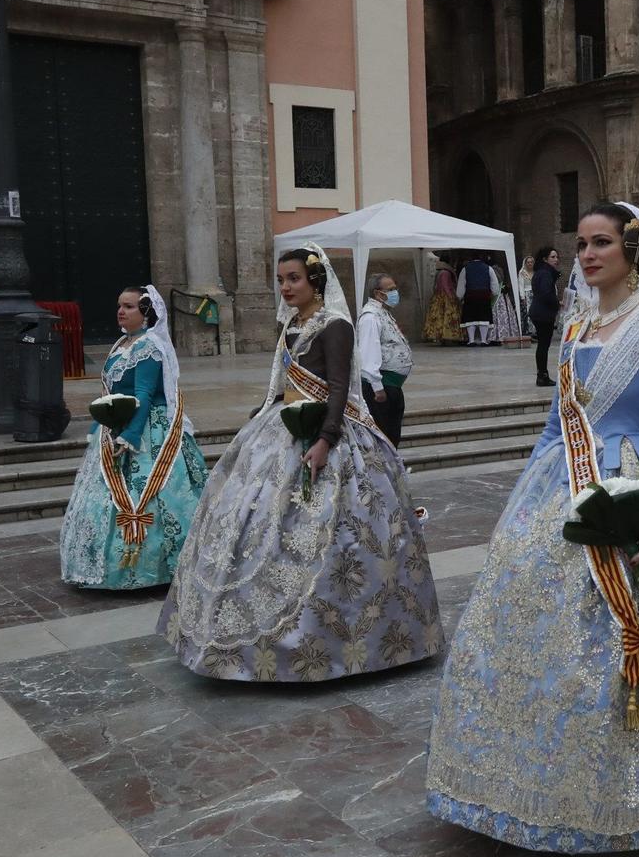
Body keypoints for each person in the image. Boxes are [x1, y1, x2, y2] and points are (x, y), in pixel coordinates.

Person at [426, 201, 639, 852]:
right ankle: (531, 782)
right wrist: (523, 503)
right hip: (569, 484)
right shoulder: (578, 326)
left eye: (602, 242)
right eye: (581, 242)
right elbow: (559, 427)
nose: (587, 254)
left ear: (632, 250)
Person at [159, 245, 442, 681]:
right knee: (255, 523)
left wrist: (326, 439)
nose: (286, 287)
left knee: (333, 531)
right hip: (282, 429)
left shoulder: (336, 326)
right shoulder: (291, 324)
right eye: (281, 280)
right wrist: (264, 415)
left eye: (293, 279)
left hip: (327, 435)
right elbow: (283, 382)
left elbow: (338, 385)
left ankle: (334, 637)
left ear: (316, 281)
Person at [59, 285, 209, 589]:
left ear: (146, 313)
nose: (120, 311)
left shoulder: (149, 347)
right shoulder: (120, 346)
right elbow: (110, 393)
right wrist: (96, 428)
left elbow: (143, 394)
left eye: (128, 307)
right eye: (119, 305)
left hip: (145, 431)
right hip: (115, 425)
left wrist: (129, 435)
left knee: (160, 495)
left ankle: (156, 566)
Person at [357, 272, 414, 446]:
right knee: (385, 436)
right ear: (377, 293)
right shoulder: (370, 317)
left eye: (395, 288)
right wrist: (377, 387)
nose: (395, 292)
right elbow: (368, 353)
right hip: (382, 389)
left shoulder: (383, 312)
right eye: (390, 289)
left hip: (392, 387)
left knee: (392, 434)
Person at [529, 244, 562, 387]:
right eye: (553, 257)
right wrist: (558, 303)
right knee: (543, 345)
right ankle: (542, 376)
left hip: (539, 312)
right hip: (542, 314)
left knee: (543, 345)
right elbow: (546, 294)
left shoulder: (542, 272)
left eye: (557, 257)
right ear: (545, 259)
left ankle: (542, 374)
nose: (556, 260)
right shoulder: (545, 273)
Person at [457, 252, 497, 346]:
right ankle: (483, 340)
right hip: (484, 296)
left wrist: (459, 295)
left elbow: (462, 283)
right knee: (484, 318)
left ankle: (471, 340)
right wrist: (494, 293)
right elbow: (494, 283)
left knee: (470, 318)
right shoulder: (489, 268)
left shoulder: (465, 269)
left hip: (470, 296)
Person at [421, 257, 461, 344]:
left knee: (440, 317)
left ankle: (442, 336)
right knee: (446, 317)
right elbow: (445, 285)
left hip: (439, 297)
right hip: (445, 297)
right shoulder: (445, 273)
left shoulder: (440, 272)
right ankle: (446, 336)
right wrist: (450, 296)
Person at [490, 257, 524, 346]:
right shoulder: (499, 269)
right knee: (505, 314)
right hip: (502, 294)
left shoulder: (492, 270)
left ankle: (498, 335)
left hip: (498, 295)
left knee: (498, 315)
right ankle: (507, 333)